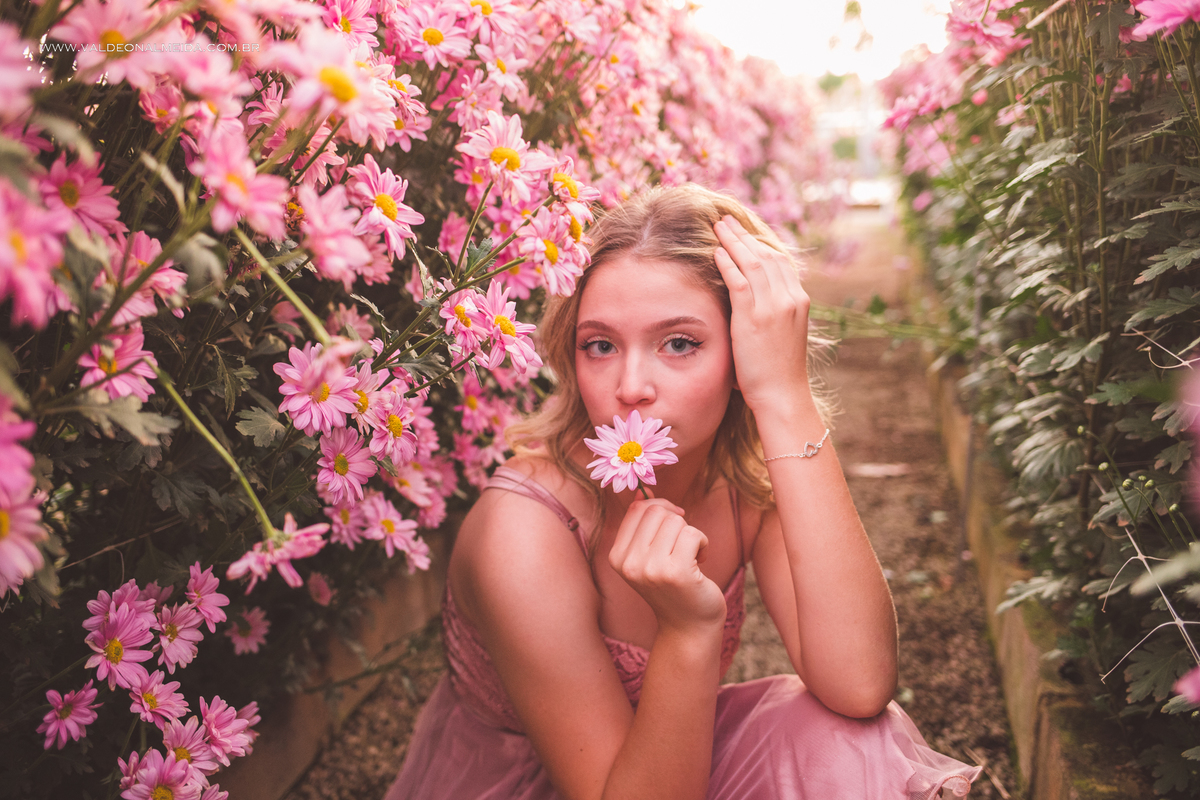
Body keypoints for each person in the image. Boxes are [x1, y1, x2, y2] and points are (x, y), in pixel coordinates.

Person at [385, 184, 981, 799]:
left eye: (679, 344)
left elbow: (859, 683)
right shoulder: (524, 530)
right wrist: (690, 631)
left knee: (849, 741)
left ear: (743, 351)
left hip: (673, 756)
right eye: (600, 345)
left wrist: (784, 396)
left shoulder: (743, 483)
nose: (632, 385)